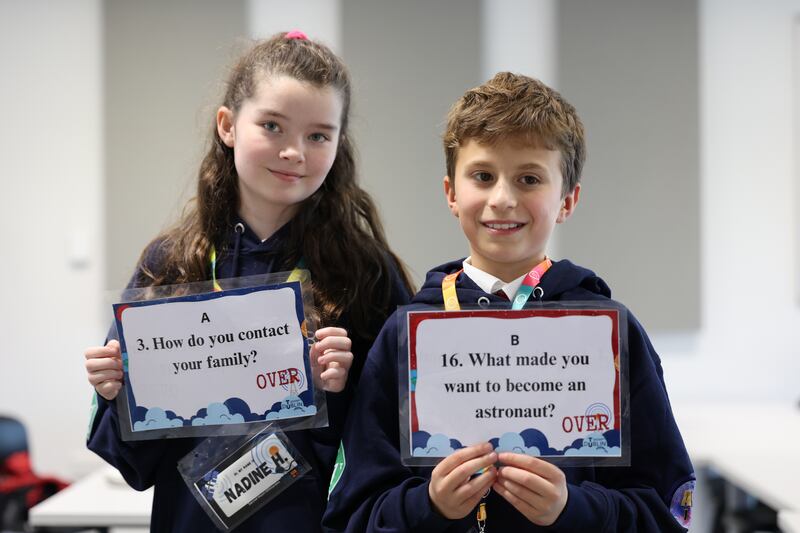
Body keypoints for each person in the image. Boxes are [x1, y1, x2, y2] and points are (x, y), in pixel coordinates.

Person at [323, 72, 695, 532]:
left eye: (529, 179)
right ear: (451, 194)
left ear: (567, 200)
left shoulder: (610, 335)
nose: (502, 198)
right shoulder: (406, 335)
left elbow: (668, 511)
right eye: (483, 176)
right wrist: (430, 506)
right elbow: (352, 514)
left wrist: (574, 509)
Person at [84, 31, 413, 532]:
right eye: (273, 126)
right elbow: (132, 466)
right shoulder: (170, 264)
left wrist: (339, 392)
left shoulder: (366, 273)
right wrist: (117, 393)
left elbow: (395, 455)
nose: (293, 152)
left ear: (337, 143)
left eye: (318, 135)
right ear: (228, 125)